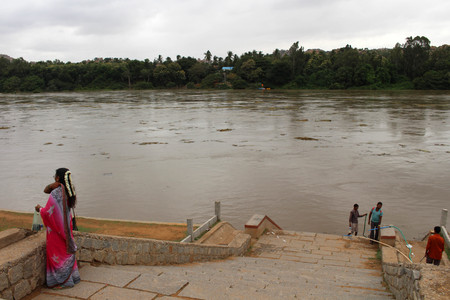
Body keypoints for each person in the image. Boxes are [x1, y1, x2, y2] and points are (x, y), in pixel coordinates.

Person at [35, 168, 80, 289]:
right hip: (66, 228)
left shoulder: (56, 193)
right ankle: (72, 277)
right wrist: (53, 185)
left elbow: (49, 212)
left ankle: (62, 282)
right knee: (65, 252)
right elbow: (47, 191)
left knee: (57, 254)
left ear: (58, 178)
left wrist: (39, 209)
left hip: (56, 230)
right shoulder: (69, 192)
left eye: (54, 176)